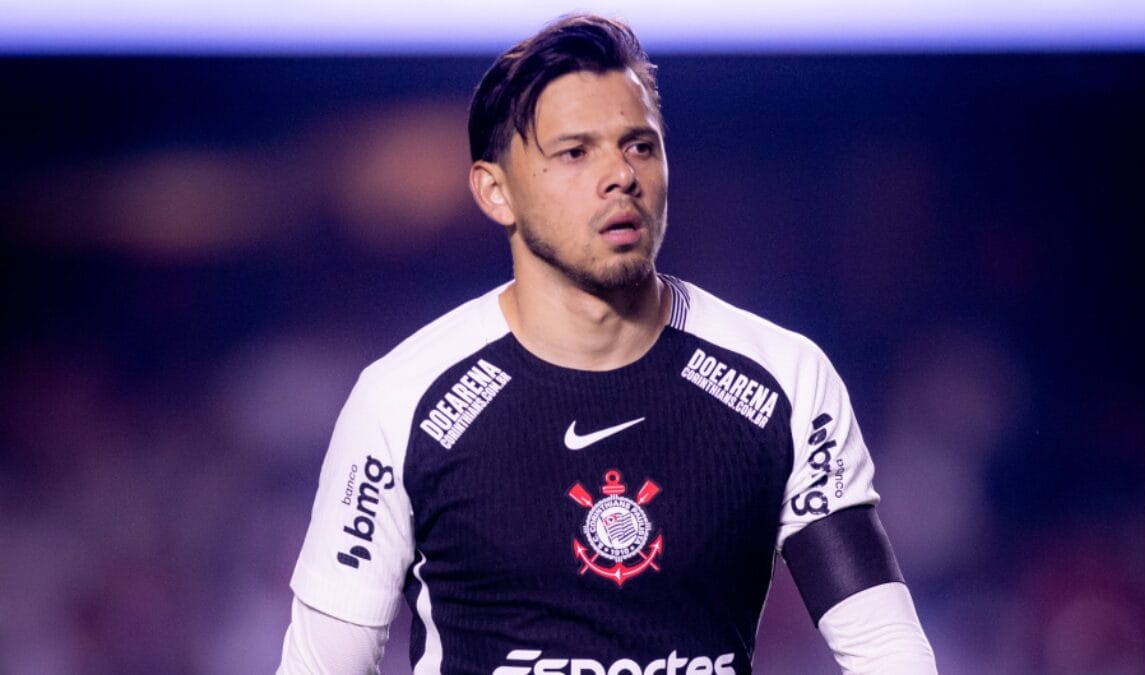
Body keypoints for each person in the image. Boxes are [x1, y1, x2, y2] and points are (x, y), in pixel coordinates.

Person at [278, 13, 936, 675]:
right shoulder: (402, 400)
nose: (620, 175)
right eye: (575, 152)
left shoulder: (783, 381)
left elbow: (889, 652)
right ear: (495, 190)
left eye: (640, 145)